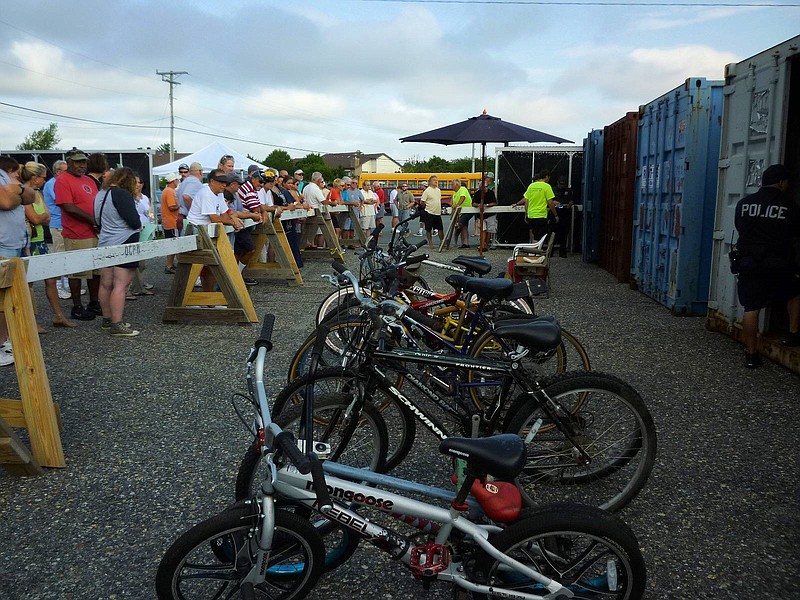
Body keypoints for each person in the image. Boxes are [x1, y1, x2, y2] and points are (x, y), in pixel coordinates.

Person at [733, 164, 800, 368]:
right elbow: (795, 233)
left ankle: (751, 355)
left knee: (751, 307)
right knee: (794, 293)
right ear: (781, 182)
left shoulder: (744, 204)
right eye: (787, 181)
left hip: (749, 262)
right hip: (778, 263)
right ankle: (793, 335)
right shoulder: (790, 206)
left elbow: (740, 228)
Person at [20, 162, 76, 331]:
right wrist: (40, 216)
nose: (45, 181)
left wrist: (40, 216)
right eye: (43, 177)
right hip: (29, 242)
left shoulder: (37, 193)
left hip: (40, 241)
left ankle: (58, 315)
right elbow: (38, 218)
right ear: (35, 177)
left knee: (51, 279)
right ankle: (31, 321)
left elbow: (46, 216)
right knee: (28, 283)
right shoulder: (24, 193)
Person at [94, 167, 143, 337]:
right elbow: (134, 221)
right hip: (124, 241)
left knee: (105, 283)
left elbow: (96, 219)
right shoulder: (121, 194)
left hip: (105, 241)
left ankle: (107, 319)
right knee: (121, 285)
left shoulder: (101, 194)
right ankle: (117, 323)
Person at [55, 148, 102, 321]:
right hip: (76, 233)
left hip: (93, 232)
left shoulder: (88, 180)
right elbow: (68, 206)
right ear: (68, 162)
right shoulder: (63, 180)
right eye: (77, 162)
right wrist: (93, 220)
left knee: (96, 271)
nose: (81, 165)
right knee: (77, 271)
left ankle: (94, 302)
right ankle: (76, 306)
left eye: (83, 162)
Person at [0, 158, 37, 365]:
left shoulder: (11, 181)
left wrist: (18, 191)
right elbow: (5, 202)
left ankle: (4, 340)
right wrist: (18, 195)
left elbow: (30, 196)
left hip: (14, 243)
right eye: (16, 174)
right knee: (1, 296)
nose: (18, 178)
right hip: (3, 243)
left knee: (6, 297)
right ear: (10, 169)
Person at [186, 168, 244, 291]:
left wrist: (233, 219)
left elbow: (225, 212)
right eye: (221, 181)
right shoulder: (206, 193)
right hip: (196, 230)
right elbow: (214, 218)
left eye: (226, 182)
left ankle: (208, 297)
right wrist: (233, 222)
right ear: (212, 181)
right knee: (193, 269)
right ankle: (186, 299)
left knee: (211, 266)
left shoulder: (219, 193)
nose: (224, 185)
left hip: (207, 231)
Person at [43, 159, 71, 298]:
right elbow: (62, 200)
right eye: (65, 171)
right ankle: (60, 286)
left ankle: (66, 285)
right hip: (57, 223)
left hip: (63, 224)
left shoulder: (59, 183)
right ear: (57, 171)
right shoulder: (52, 184)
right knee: (60, 254)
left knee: (66, 254)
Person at [515, 170, 558, 243]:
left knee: (533, 234)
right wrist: (555, 215)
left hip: (531, 215)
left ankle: (532, 251)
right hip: (541, 215)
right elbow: (550, 202)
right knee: (540, 237)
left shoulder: (531, 186)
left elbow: (526, 201)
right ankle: (536, 252)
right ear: (546, 177)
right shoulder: (546, 186)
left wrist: (526, 214)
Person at [160, 173, 181, 273]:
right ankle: (169, 265)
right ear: (174, 181)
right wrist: (179, 206)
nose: (178, 182)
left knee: (172, 244)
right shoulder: (169, 192)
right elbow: (171, 206)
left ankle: (170, 265)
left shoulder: (167, 190)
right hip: (171, 222)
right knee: (174, 244)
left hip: (169, 221)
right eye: (177, 180)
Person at [176, 162, 204, 232]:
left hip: (181, 216)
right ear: (200, 172)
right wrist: (193, 210)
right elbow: (186, 196)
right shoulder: (195, 182)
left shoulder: (185, 182)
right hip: (188, 218)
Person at [302, 171, 327, 248]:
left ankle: (307, 245)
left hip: (307, 212)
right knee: (312, 232)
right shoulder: (315, 188)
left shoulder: (306, 187)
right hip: (315, 213)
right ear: (319, 180)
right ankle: (307, 245)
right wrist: (333, 203)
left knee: (307, 232)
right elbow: (323, 201)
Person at [474, 175, 497, 252]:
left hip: (490, 215)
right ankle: (482, 244)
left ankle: (485, 244)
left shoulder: (491, 193)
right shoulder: (477, 193)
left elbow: (494, 203)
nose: (486, 188)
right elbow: (473, 203)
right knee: (482, 230)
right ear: (481, 188)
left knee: (489, 230)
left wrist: (486, 205)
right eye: (484, 187)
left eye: (487, 186)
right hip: (481, 215)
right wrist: (478, 205)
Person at [552, 175, 573, 258]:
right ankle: (551, 251)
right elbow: (549, 200)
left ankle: (562, 252)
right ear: (558, 183)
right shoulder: (553, 190)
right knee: (553, 232)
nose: (562, 186)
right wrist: (554, 202)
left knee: (564, 233)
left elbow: (571, 200)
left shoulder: (569, 191)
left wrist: (570, 204)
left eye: (563, 185)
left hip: (565, 213)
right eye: (561, 184)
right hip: (555, 212)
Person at [420, 175, 443, 248]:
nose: (436, 181)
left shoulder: (438, 190)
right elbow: (422, 202)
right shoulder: (427, 191)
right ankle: (430, 243)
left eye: (436, 180)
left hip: (437, 212)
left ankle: (442, 242)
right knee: (429, 229)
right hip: (429, 212)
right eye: (434, 180)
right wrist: (425, 207)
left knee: (440, 229)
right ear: (429, 182)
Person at [451, 178, 473, 249]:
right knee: (464, 226)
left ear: (457, 184)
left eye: (452, 184)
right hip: (460, 212)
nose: (451, 186)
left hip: (467, 210)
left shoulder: (462, 189)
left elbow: (462, 197)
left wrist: (457, 205)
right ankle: (465, 243)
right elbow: (453, 203)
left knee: (460, 225)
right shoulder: (454, 193)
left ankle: (462, 242)